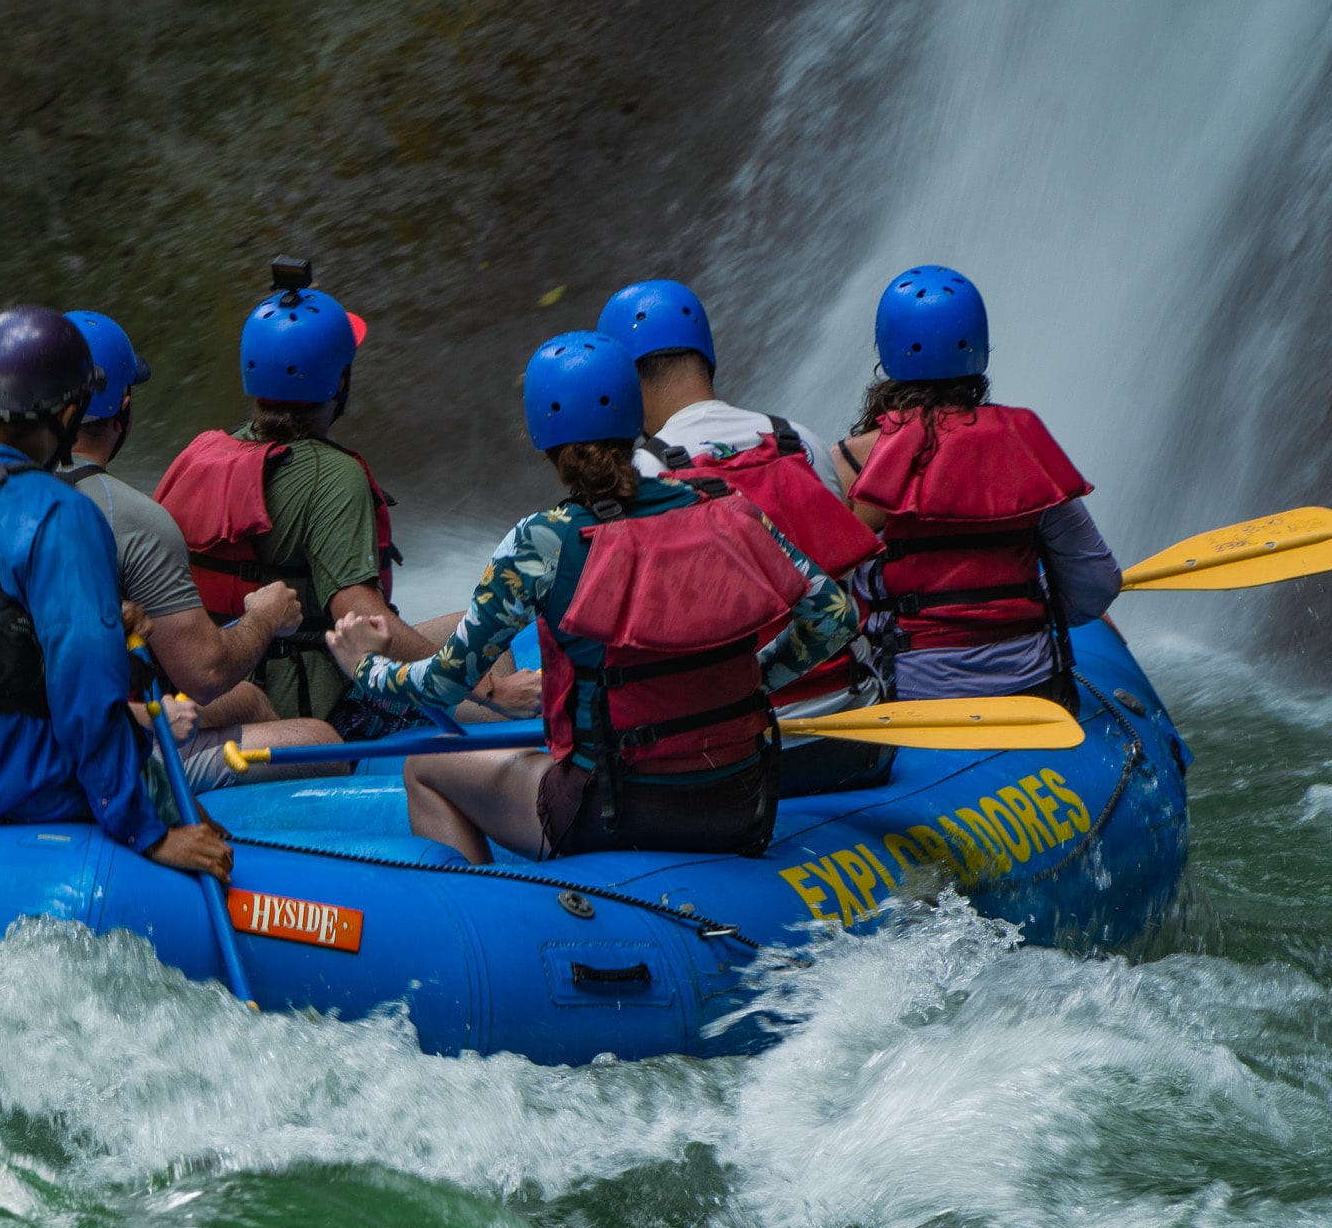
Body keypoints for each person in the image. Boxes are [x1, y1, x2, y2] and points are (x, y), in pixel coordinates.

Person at [327, 331, 856, 864]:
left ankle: (490, 917)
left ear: (537, 435)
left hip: (618, 809)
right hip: (741, 800)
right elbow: (835, 617)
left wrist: (366, 667)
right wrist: (755, 680)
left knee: (428, 764)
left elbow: (442, 685)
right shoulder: (730, 508)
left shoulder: (540, 542)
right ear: (636, 419)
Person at [0, 304, 229, 880]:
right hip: (33, 796)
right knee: (205, 827)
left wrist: (89, 624)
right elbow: (86, 698)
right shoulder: (62, 515)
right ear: (71, 413)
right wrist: (149, 833)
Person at [154, 258, 539, 734]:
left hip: (224, 681)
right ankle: (512, 758)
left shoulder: (207, 452)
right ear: (339, 381)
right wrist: (491, 693)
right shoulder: (332, 476)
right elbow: (359, 615)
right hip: (319, 702)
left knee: (474, 627)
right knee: (484, 657)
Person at [599, 278, 891, 793]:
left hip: (745, 756)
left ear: (622, 382)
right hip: (857, 735)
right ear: (706, 358)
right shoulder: (799, 439)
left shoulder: (641, 475)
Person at [60, 310, 343, 790]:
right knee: (322, 741)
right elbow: (207, 671)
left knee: (251, 703)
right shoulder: (132, 518)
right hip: (98, 754)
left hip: (42, 730)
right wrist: (265, 617)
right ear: (123, 409)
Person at [831, 266, 1119, 708]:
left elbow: (818, 601)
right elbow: (1096, 586)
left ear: (885, 351)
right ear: (979, 348)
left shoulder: (848, 463)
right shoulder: (1026, 448)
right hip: (1032, 694)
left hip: (905, 697)